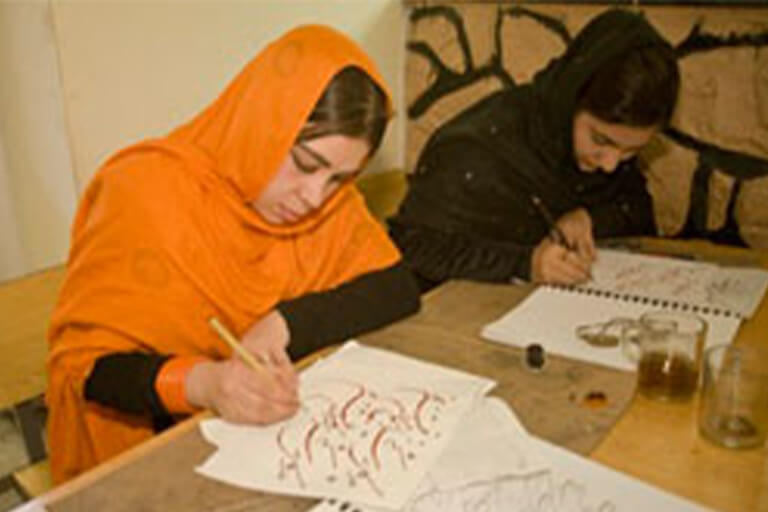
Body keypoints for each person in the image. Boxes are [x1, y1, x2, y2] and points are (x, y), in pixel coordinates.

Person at [46, 25, 420, 484]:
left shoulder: (328, 207)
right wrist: (205, 383)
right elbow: (89, 371)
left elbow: (397, 288)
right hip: (151, 448)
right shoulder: (145, 194)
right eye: (306, 164)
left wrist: (285, 323)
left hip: (262, 450)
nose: (315, 197)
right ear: (261, 124)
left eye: (339, 179)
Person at [389, 9, 680, 291]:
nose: (610, 165)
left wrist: (589, 217)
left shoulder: (598, 149)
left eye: (631, 151)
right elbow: (413, 245)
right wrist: (526, 264)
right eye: (601, 141)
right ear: (571, 100)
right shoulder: (476, 150)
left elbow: (638, 210)